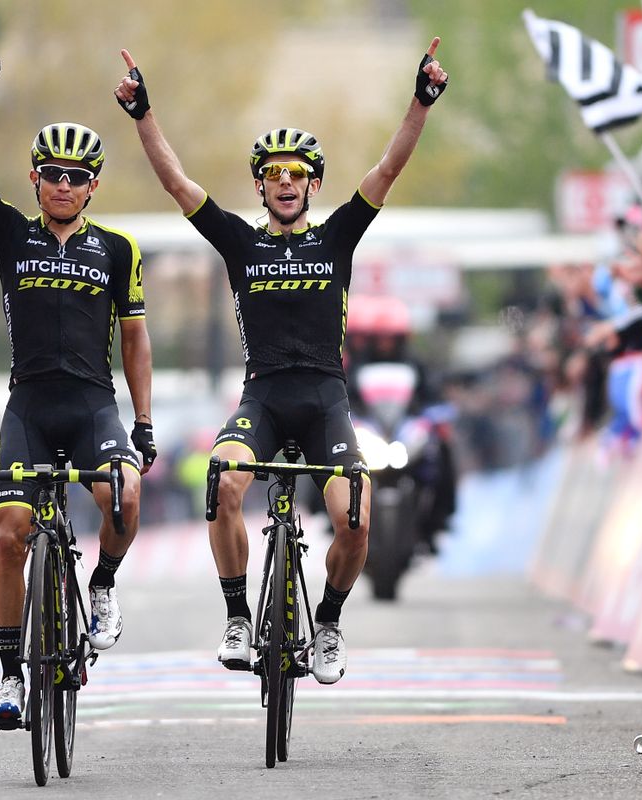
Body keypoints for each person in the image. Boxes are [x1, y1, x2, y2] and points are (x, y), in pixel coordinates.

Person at [114, 37, 448, 684]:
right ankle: (238, 616)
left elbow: (388, 167)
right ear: (262, 187)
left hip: (326, 402)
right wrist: (142, 115)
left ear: (313, 184)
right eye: (273, 175)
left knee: (356, 517)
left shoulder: (338, 235)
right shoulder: (240, 242)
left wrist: (420, 102)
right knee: (222, 484)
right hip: (263, 400)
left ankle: (328, 622)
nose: (286, 183)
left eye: (296, 174)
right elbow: (178, 184)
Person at [0, 26, 158, 728]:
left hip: (93, 405)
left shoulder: (119, 249)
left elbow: (135, 341)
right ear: (36, 177)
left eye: (76, 177)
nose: (63, 185)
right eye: (52, 174)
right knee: (9, 531)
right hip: (30, 407)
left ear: (93, 185)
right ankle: (11, 674)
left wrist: (144, 421)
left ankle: (100, 585)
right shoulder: (14, 233)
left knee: (124, 498)